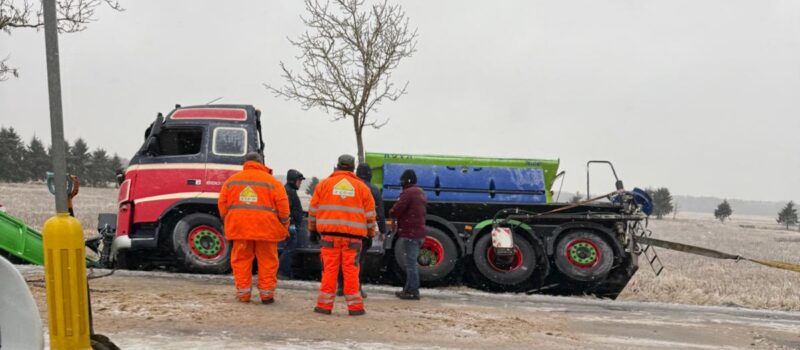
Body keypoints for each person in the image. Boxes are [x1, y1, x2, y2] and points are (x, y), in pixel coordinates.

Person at [308, 154, 377, 316]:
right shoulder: (362, 188)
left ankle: (324, 306)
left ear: (337, 166)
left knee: (329, 271)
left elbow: (313, 211)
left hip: (329, 237)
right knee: (351, 272)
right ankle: (355, 308)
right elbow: (370, 215)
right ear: (353, 168)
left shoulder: (324, 185)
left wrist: (312, 230)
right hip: (353, 239)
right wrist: (370, 234)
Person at [218, 152, 290, 304]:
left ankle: (243, 294)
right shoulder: (272, 182)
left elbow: (222, 205)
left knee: (241, 260)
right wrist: (284, 224)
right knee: (268, 261)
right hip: (267, 229)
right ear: (261, 163)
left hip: (240, 229)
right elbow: (283, 207)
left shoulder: (232, 181)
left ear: (245, 163)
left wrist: (231, 220)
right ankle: (267, 295)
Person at [389, 169, 427, 300]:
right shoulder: (420, 192)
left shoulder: (408, 193)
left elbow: (398, 209)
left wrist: (392, 212)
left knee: (410, 265)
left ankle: (413, 291)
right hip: (419, 233)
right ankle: (407, 289)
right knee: (411, 264)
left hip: (410, 233)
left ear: (405, 181)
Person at [278, 169, 305, 279]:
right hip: (291, 226)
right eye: (299, 181)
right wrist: (292, 223)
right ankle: (282, 272)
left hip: (291, 225)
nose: (300, 183)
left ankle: (285, 272)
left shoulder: (289, 191)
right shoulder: (289, 192)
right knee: (289, 249)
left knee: (289, 249)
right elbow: (287, 210)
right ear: (293, 181)